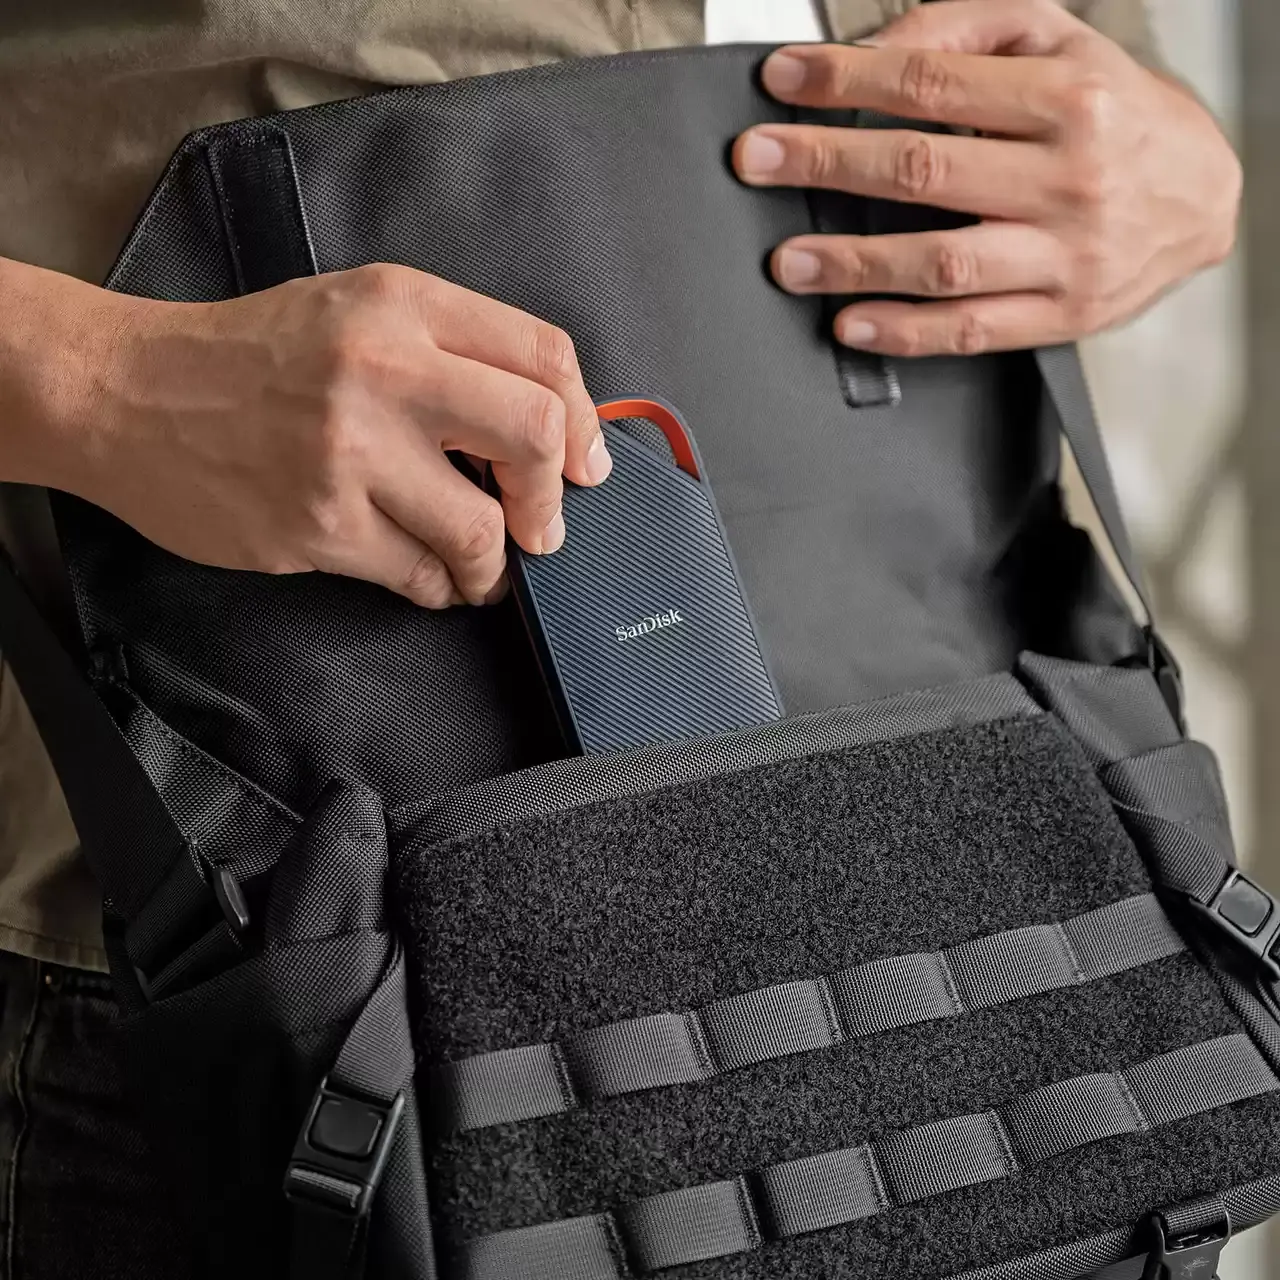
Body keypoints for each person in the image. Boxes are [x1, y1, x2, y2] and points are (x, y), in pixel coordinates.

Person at [0, 0, 1240, 1274]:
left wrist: (1178, 155)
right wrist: (98, 381)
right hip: (279, 969)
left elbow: (1094, 66)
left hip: (1017, 910)